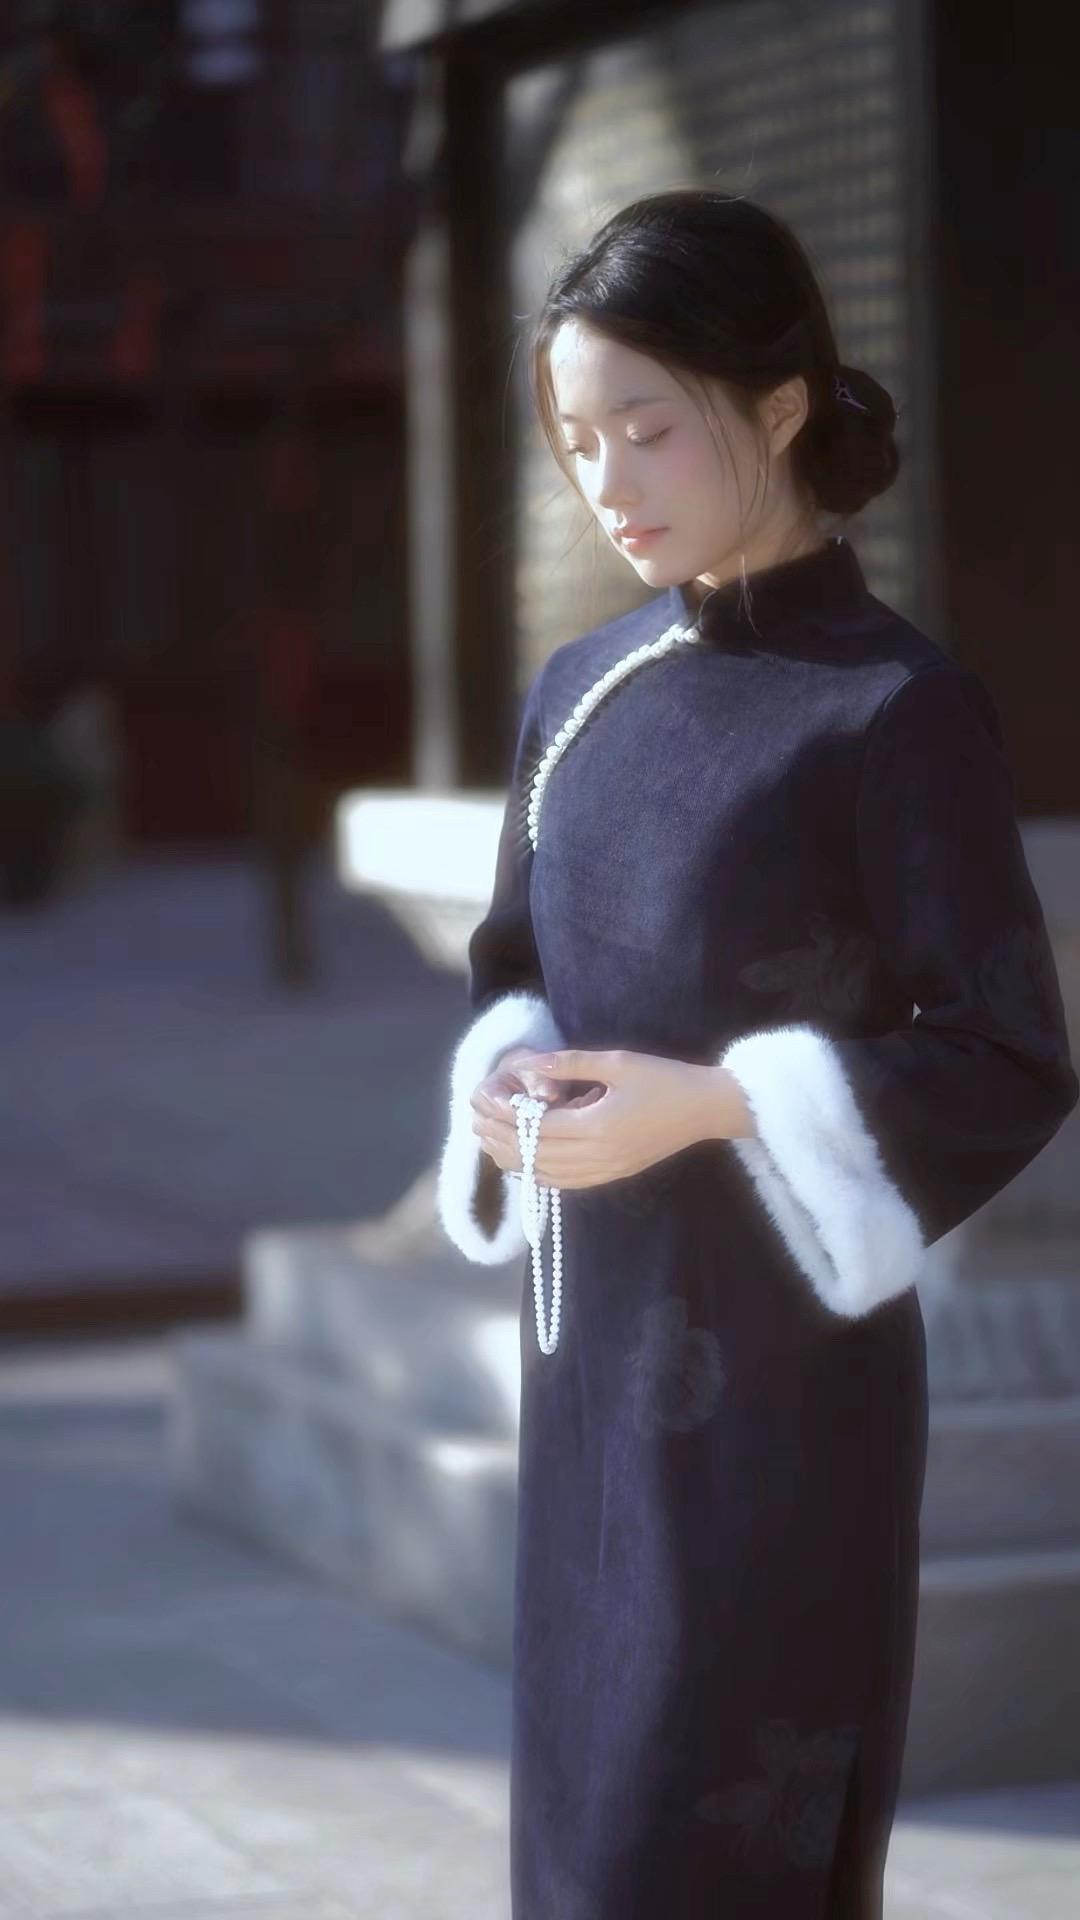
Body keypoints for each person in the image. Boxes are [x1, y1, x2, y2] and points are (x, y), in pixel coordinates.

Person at [435, 189, 1078, 1919]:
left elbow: (1011, 1051)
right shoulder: (580, 691)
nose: (610, 481)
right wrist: (507, 1083)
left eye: (649, 426)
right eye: (579, 439)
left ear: (780, 405)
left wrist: (721, 1103)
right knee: (584, 1846)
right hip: (590, 1367)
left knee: (722, 1847)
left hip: (785, 1397)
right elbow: (515, 968)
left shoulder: (892, 707)